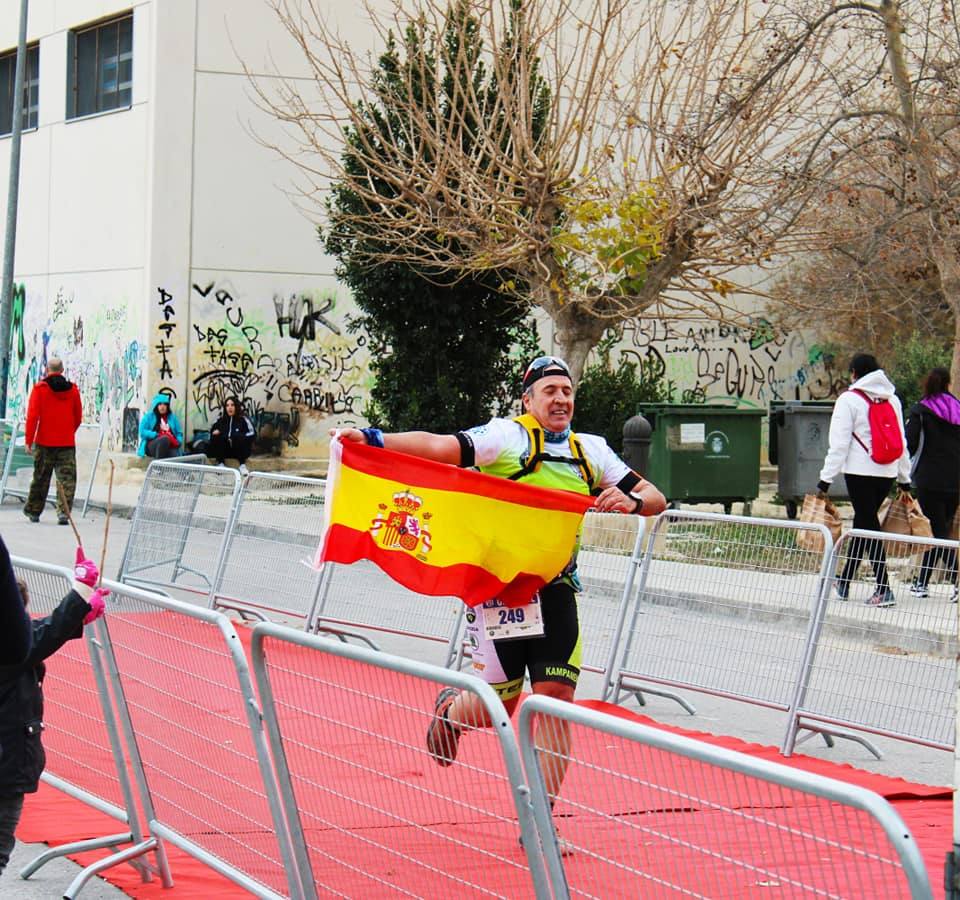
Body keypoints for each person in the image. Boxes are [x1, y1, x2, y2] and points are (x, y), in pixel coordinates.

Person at [337, 355, 666, 842]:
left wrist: (632, 502)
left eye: (567, 391)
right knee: (499, 707)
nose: (560, 399)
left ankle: (541, 822)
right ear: (528, 401)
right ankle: (451, 710)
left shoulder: (591, 451)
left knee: (555, 699)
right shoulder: (506, 437)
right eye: (549, 391)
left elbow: (656, 498)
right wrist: (375, 438)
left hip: (556, 590)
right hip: (499, 594)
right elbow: (441, 447)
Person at [0, 553, 108, 875]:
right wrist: (80, 595)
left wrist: (78, 613)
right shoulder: (11, 650)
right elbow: (34, 639)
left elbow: (37, 635)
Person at [817, 353, 911, 607]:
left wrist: (825, 480)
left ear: (855, 373)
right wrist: (904, 478)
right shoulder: (892, 400)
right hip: (887, 472)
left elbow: (838, 445)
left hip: (859, 472)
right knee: (863, 521)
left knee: (868, 523)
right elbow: (901, 442)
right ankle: (845, 581)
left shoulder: (848, 400)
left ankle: (884, 588)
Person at [905, 367, 960, 601]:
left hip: (929, 479)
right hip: (956, 480)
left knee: (936, 532)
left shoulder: (920, 411)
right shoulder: (958, 409)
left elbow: (910, 443)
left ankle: (957, 578)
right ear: (948, 383)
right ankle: (921, 582)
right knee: (940, 530)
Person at [23, 358, 83, 526]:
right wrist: (68, 432)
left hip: (44, 442)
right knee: (67, 480)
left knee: (41, 477)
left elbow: (33, 417)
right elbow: (78, 416)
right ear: (62, 369)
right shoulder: (73, 390)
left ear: (47, 369)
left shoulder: (40, 389)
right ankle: (63, 513)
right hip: (66, 443)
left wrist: (29, 440)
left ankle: (34, 511)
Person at [207, 396, 256, 476]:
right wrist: (215, 432)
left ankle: (242, 465)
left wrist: (239, 436)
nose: (230, 408)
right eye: (227, 405)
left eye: (232, 405)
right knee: (217, 436)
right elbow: (211, 431)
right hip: (225, 451)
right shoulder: (221, 419)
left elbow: (252, 433)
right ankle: (221, 464)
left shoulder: (243, 419)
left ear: (236, 406)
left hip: (239, 451)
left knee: (237, 437)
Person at [137, 394, 184, 460]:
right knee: (164, 439)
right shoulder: (149, 416)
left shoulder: (172, 417)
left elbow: (179, 433)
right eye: (160, 404)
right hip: (152, 445)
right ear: (156, 406)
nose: (162, 407)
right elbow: (142, 431)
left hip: (170, 445)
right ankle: (158, 467)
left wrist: (179, 441)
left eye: (165, 404)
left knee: (176, 454)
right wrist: (155, 434)